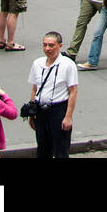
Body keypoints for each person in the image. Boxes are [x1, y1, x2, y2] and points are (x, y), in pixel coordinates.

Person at [26, 31, 78, 159]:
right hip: (41, 111)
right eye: (45, 45)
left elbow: (73, 92)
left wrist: (68, 117)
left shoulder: (68, 65)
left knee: (61, 150)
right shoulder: (37, 64)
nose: (47, 49)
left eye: (51, 45)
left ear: (60, 46)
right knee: (42, 149)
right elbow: (34, 89)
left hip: (58, 110)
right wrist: (32, 114)